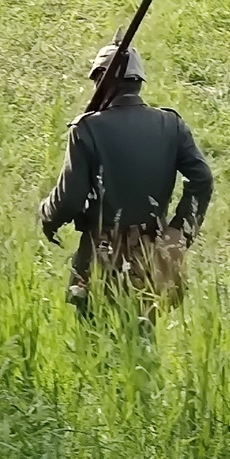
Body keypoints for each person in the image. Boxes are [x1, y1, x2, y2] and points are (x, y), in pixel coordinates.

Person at [39, 35, 214, 309]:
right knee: (144, 333)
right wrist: (179, 233)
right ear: (138, 82)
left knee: (95, 339)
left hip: (100, 256)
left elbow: (69, 198)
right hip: (152, 253)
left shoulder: (87, 129)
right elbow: (202, 179)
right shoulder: (171, 125)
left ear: (101, 79)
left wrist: (47, 217)